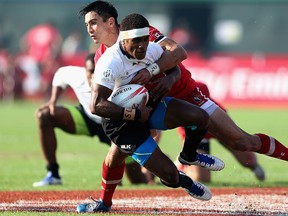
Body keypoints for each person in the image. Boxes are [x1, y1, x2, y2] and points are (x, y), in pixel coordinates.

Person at [77, 0, 288, 212]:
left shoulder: (142, 33)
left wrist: (156, 74)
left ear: (111, 22)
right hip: (149, 106)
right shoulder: (103, 57)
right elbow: (107, 100)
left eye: (94, 23)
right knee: (115, 154)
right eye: (88, 25)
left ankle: (190, 157)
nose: (89, 29)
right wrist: (132, 114)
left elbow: (178, 53)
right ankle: (105, 202)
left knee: (242, 142)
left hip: (185, 95)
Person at [77, 12, 226, 213]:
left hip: (149, 105)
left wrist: (169, 79)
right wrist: (135, 116)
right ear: (124, 39)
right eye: (136, 42)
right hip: (121, 123)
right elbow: (97, 106)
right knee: (169, 175)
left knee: (200, 117)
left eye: (145, 40)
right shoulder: (108, 62)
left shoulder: (151, 49)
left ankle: (189, 155)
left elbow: (176, 68)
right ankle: (182, 180)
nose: (142, 46)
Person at [33, 53, 152, 187]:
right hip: (88, 120)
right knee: (44, 115)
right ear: (85, 70)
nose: (96, 75)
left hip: (117, 127)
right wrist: (53, 100)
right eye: (91, 71)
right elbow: (61, 74)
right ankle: (53, 174)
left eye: (99, 71)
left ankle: (152, 170)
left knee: (137, 180)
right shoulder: (77, 75)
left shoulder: (118, 80)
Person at [175, 82, 265, 183]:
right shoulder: (177, 99)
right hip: (196, 131)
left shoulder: (206, 98)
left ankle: (254, 166)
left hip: (215, 124)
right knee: (201, 178)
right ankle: (181, 166)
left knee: (248, 159)